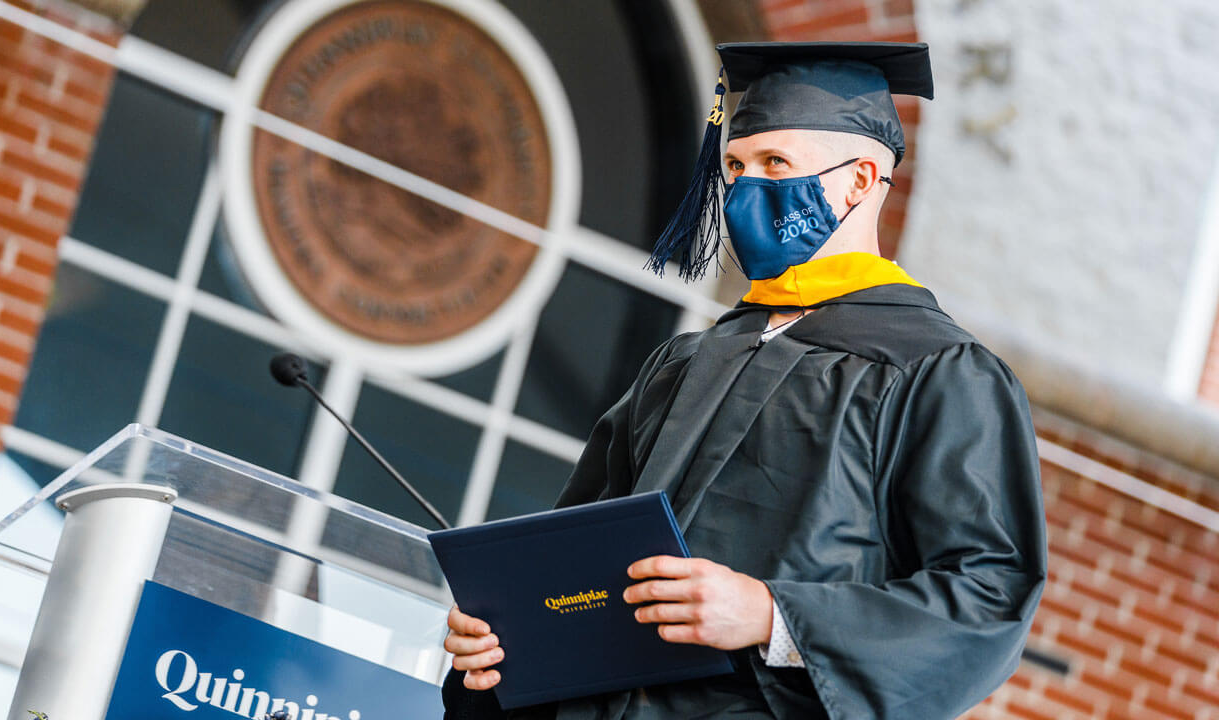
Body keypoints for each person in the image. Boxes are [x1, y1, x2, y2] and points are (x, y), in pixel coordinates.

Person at [442, 41, 1047, 719]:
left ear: (860, 179)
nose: (745, 188)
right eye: (735, 165)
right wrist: (508, 635)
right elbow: (578, 560)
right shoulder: (686, 362)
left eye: (775, 164)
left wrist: (770, 614)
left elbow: (988, 594)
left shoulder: (936, 371)